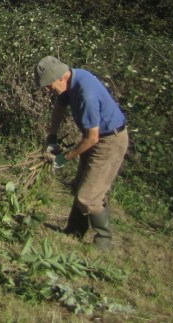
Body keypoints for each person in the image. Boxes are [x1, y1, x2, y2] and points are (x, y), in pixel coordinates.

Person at [35, 55, 129, 250]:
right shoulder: (72, 80)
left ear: (61, 77)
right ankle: (74, 231)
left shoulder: (87, 94)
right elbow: (59, 106)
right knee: (80, 186)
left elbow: (92, 138)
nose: (47, 89)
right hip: (96, 137)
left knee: (88, 196)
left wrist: (64, 158)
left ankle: (103, 242)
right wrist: (52, 137)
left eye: (49, 85)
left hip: (109, 141)